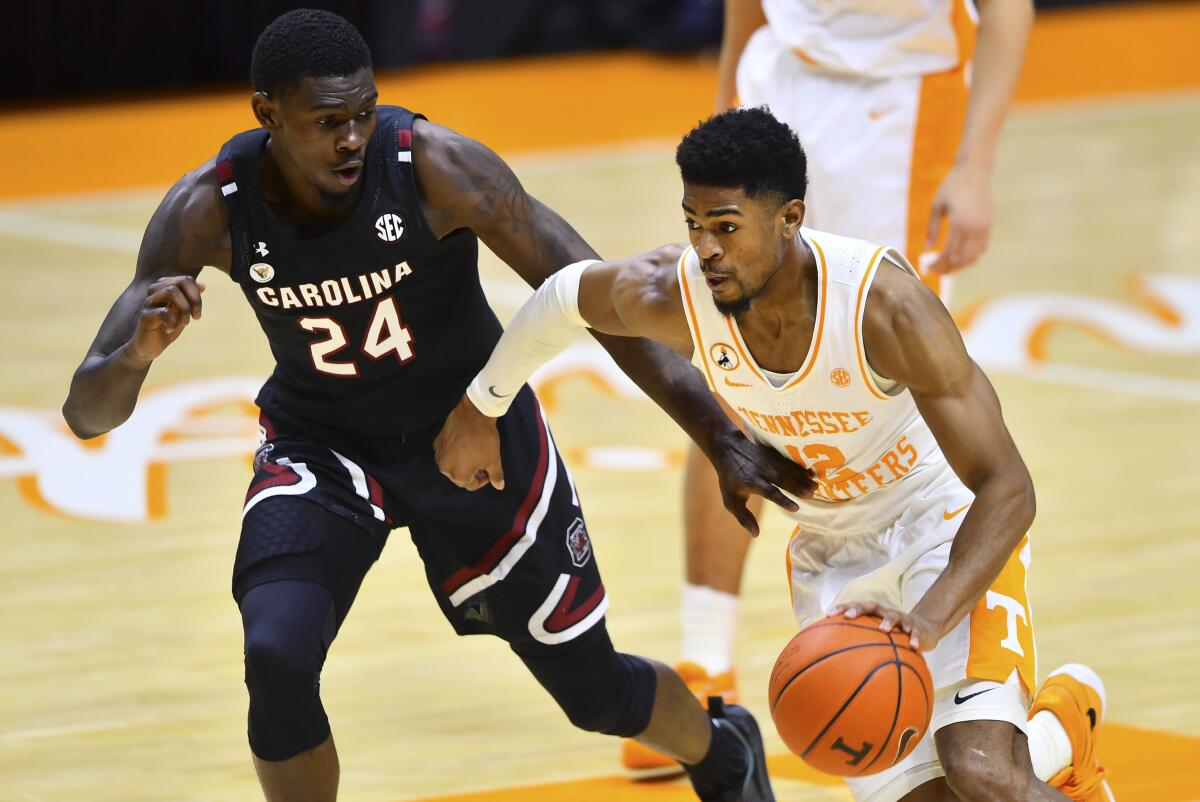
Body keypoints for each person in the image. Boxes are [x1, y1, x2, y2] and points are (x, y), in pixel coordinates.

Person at [61, 12, 816, 802]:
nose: (353, 137)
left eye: (363, 113)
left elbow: (594, 294)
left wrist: (716, 432)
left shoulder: (437, 168)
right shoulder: (205, 210)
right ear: (267, 115)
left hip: (472, 434)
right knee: (276, 658)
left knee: (594, 692)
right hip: (325, 449)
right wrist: (139, 352)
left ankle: (719, 746)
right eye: (328, 123)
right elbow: (89, 413)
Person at [434, 108, 1112, 802]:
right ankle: (1060, 733)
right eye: (693, 223)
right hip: (835, 555)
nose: (706, 248)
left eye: (726, 226)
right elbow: (558, 299)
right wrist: (482, 405)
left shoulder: (885, 308)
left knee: (984, 776)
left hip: (940, 528)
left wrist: (932, 618)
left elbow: (1009, 489)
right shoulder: (677, 293)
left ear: (789, 218)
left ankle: (1030, 748)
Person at [668, 0, 1034, 755]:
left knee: (892, 404)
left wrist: (975, 164)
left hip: (898, 111)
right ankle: (705, 658)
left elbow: (1006, 10)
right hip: (781, 81)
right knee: (726, 386)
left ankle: (949, 647)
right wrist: (725, 116)